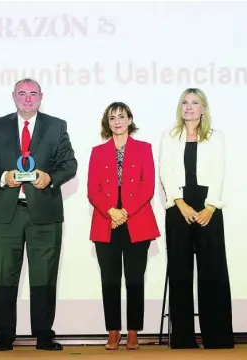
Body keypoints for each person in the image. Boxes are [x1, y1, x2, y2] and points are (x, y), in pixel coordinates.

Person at [0, 78, 78, 351]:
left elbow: (70, 164)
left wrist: (51, 177)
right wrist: (3, 176)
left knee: (44, 275)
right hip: (6, 215)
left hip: (44, 215)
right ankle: (3, 336)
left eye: (33, 94)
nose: (27, 98)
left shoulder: (57, 126)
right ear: (13, 96)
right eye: (22, 94)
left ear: (41, 96)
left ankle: (44, 335)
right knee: (3, 275)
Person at [159, 88, 234, 349]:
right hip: (178, 208)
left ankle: (218, 338)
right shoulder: (169, 136)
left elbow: (219, 172)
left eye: (195, 103)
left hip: (208, 209)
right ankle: (182, 339)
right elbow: (165, 171)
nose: (189, 107)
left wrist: (210, 207)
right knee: (180, 274)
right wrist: (180, 204)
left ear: (204, 109)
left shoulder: (216, 137)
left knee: (212, 273)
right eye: (185, 103)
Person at [87, 102, 160, 350]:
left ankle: (133, 331)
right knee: (109, 279)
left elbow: (147, 187)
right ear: (107, 123)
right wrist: (111, 211)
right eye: (112, 117)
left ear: (130, 119)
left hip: (136, 221)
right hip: (105, 221)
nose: (117, 121)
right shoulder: (97, 152)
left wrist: (125, 212)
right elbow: (92, 191)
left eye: (121, 116)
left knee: (135, 279)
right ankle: (113, 331)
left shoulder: (144, 148)